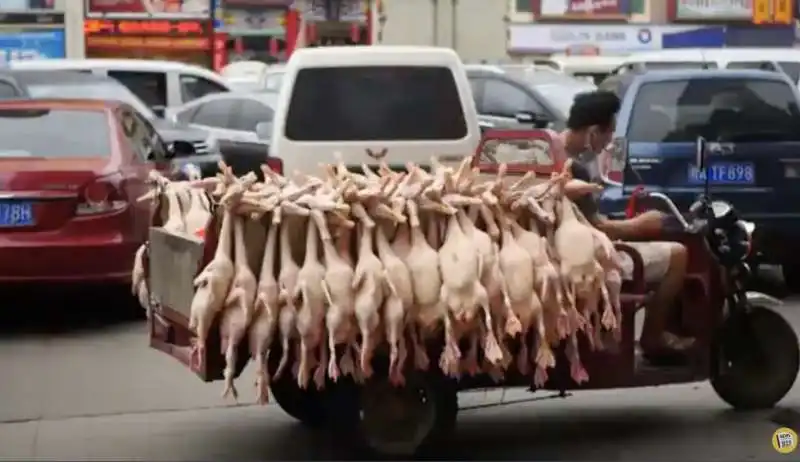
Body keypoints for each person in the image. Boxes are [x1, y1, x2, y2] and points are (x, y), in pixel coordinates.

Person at [552, 90, 695, 360]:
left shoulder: (546, 149)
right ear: (594, 131)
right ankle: (653, 338)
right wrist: (639, 225)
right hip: (582, 256)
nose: (609, 142)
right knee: (678, 254)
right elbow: (598, 228)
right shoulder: (574, 169)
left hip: (555, 247)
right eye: (608, 134)